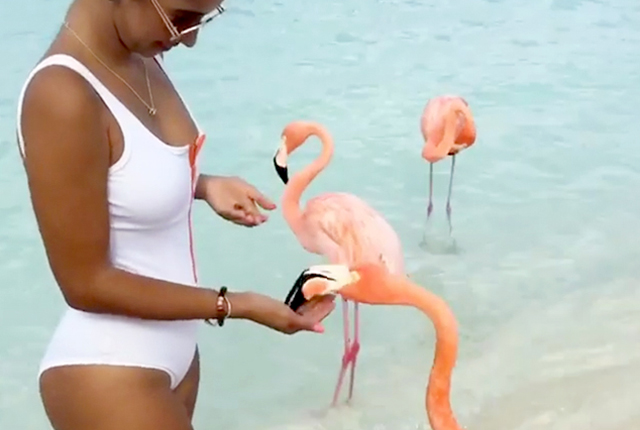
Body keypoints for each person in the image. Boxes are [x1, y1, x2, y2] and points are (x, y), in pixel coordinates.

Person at [15, 0, 336, 429]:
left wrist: (201, 185)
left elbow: (118, 173)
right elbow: (85, 283)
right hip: (109, 370)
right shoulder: (61, 95)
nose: (189, 39)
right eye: (181, 16)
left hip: (174, 354)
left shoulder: (139, 56)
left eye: (204, 18)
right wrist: (235, 305)